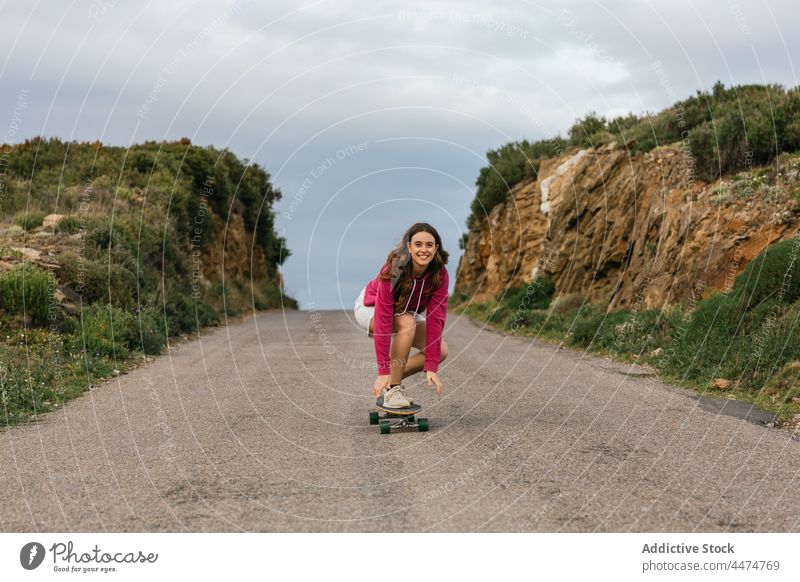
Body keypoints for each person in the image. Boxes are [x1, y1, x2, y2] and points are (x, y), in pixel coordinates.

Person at [353, 222, 450, 408]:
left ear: (436, 247)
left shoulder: (440, 275)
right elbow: (382, 320)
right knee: (407, 322)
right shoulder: (394, 268)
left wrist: (431, 366)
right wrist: (382, 369)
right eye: (418, 244)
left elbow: (436, 318)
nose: (424, 250)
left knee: (440, 351)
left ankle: (393, 380)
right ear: (409, 247)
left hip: (405, 311)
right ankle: (393, 390)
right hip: (371, 306)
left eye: (429, 245)